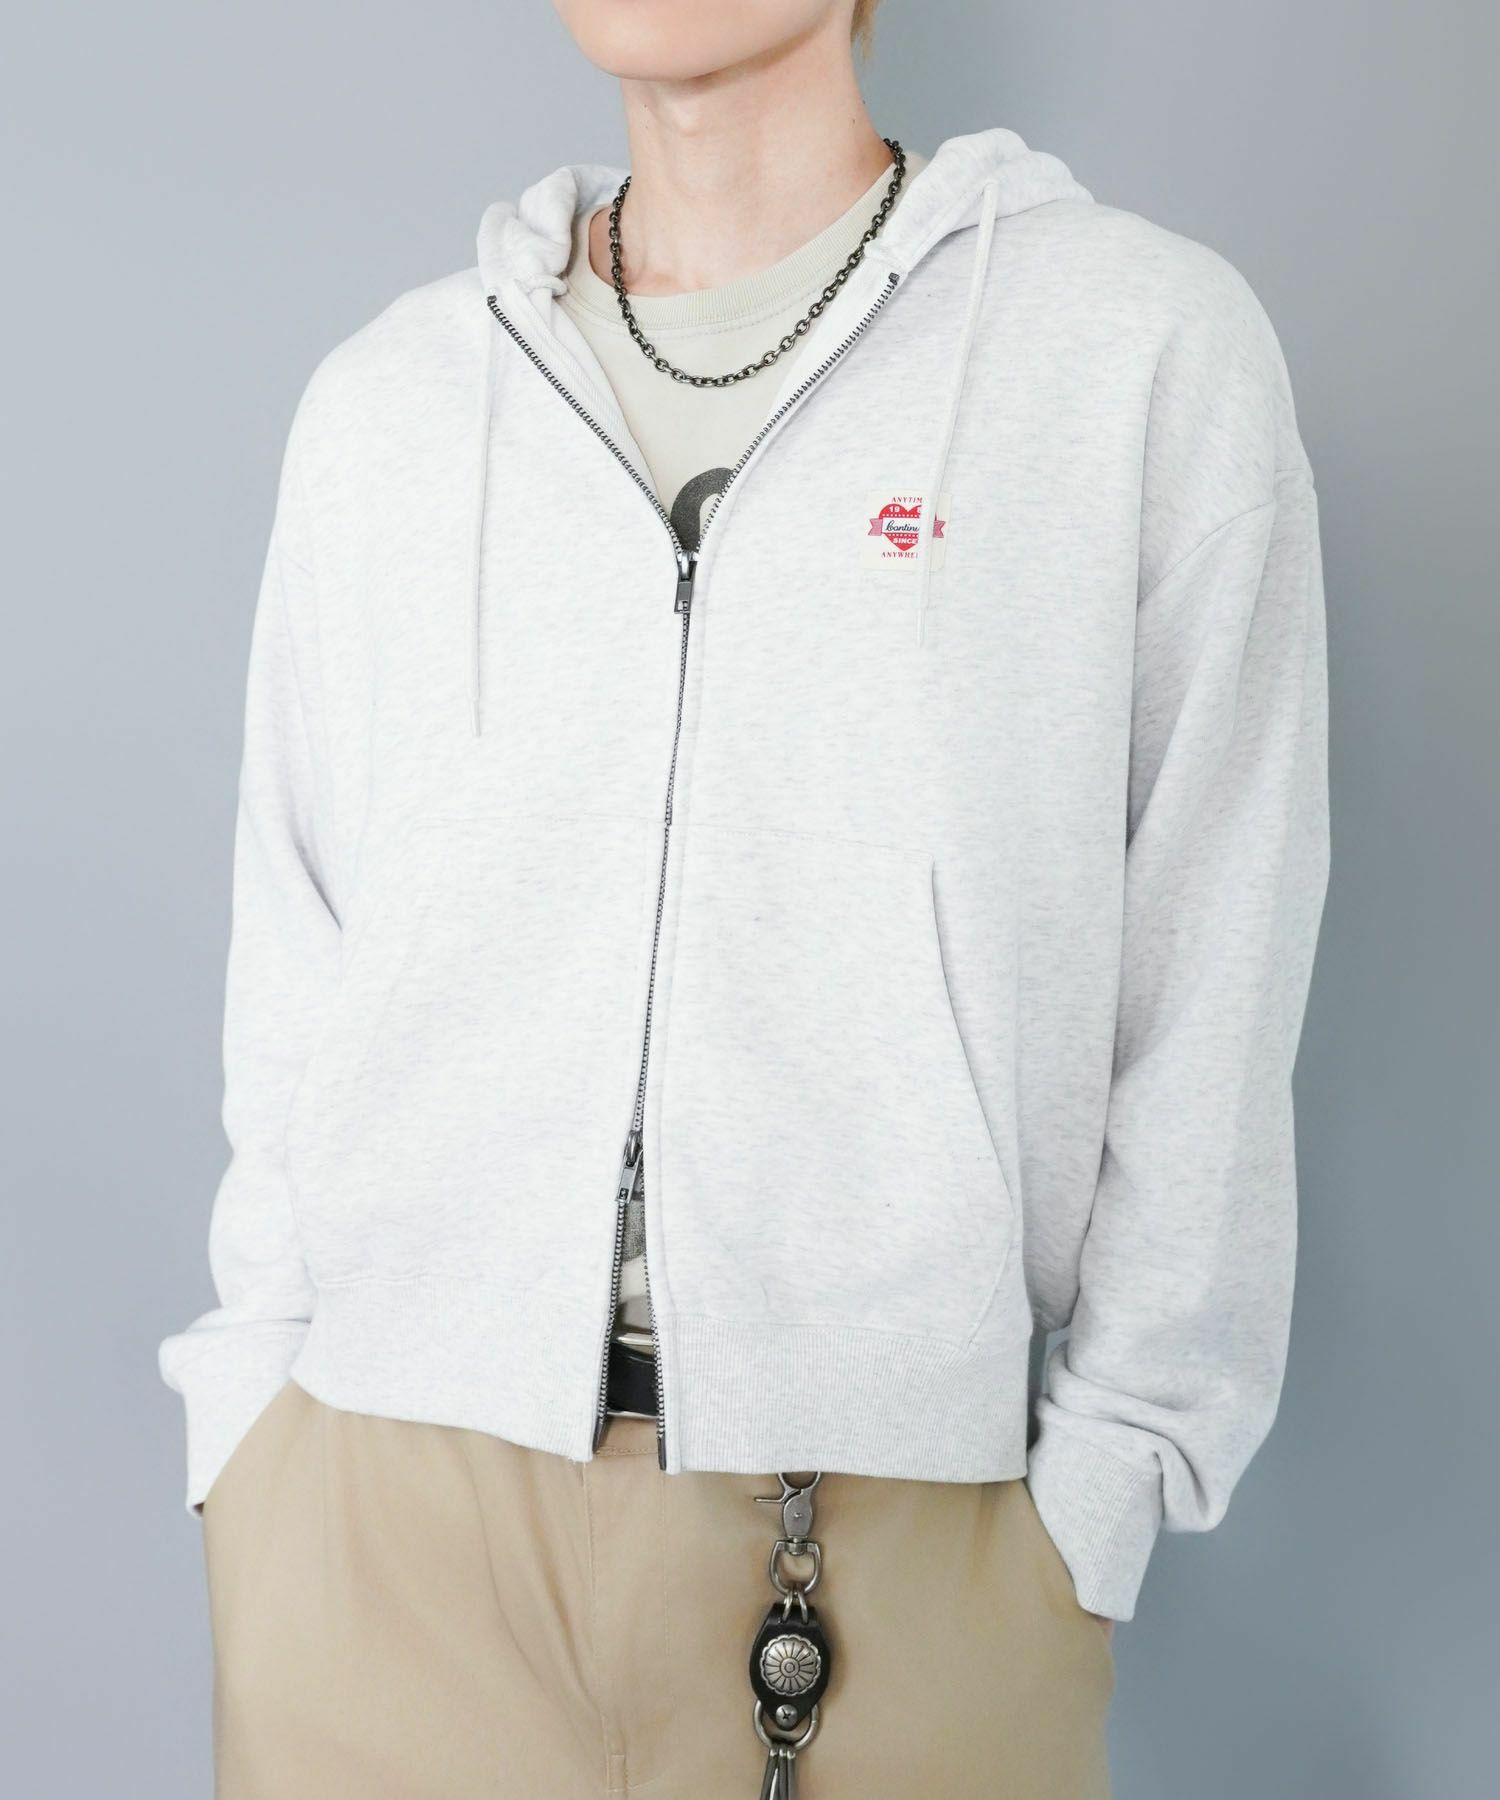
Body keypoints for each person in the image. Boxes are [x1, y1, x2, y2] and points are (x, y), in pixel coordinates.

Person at [157, 2, 1330, 1794]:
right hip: (377, 1527)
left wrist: (1106, 1488)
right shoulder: (392, 401)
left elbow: (1214, 978)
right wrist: (255, 1419)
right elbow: (298, 948)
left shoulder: (1133, 353)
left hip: (898, 1555)